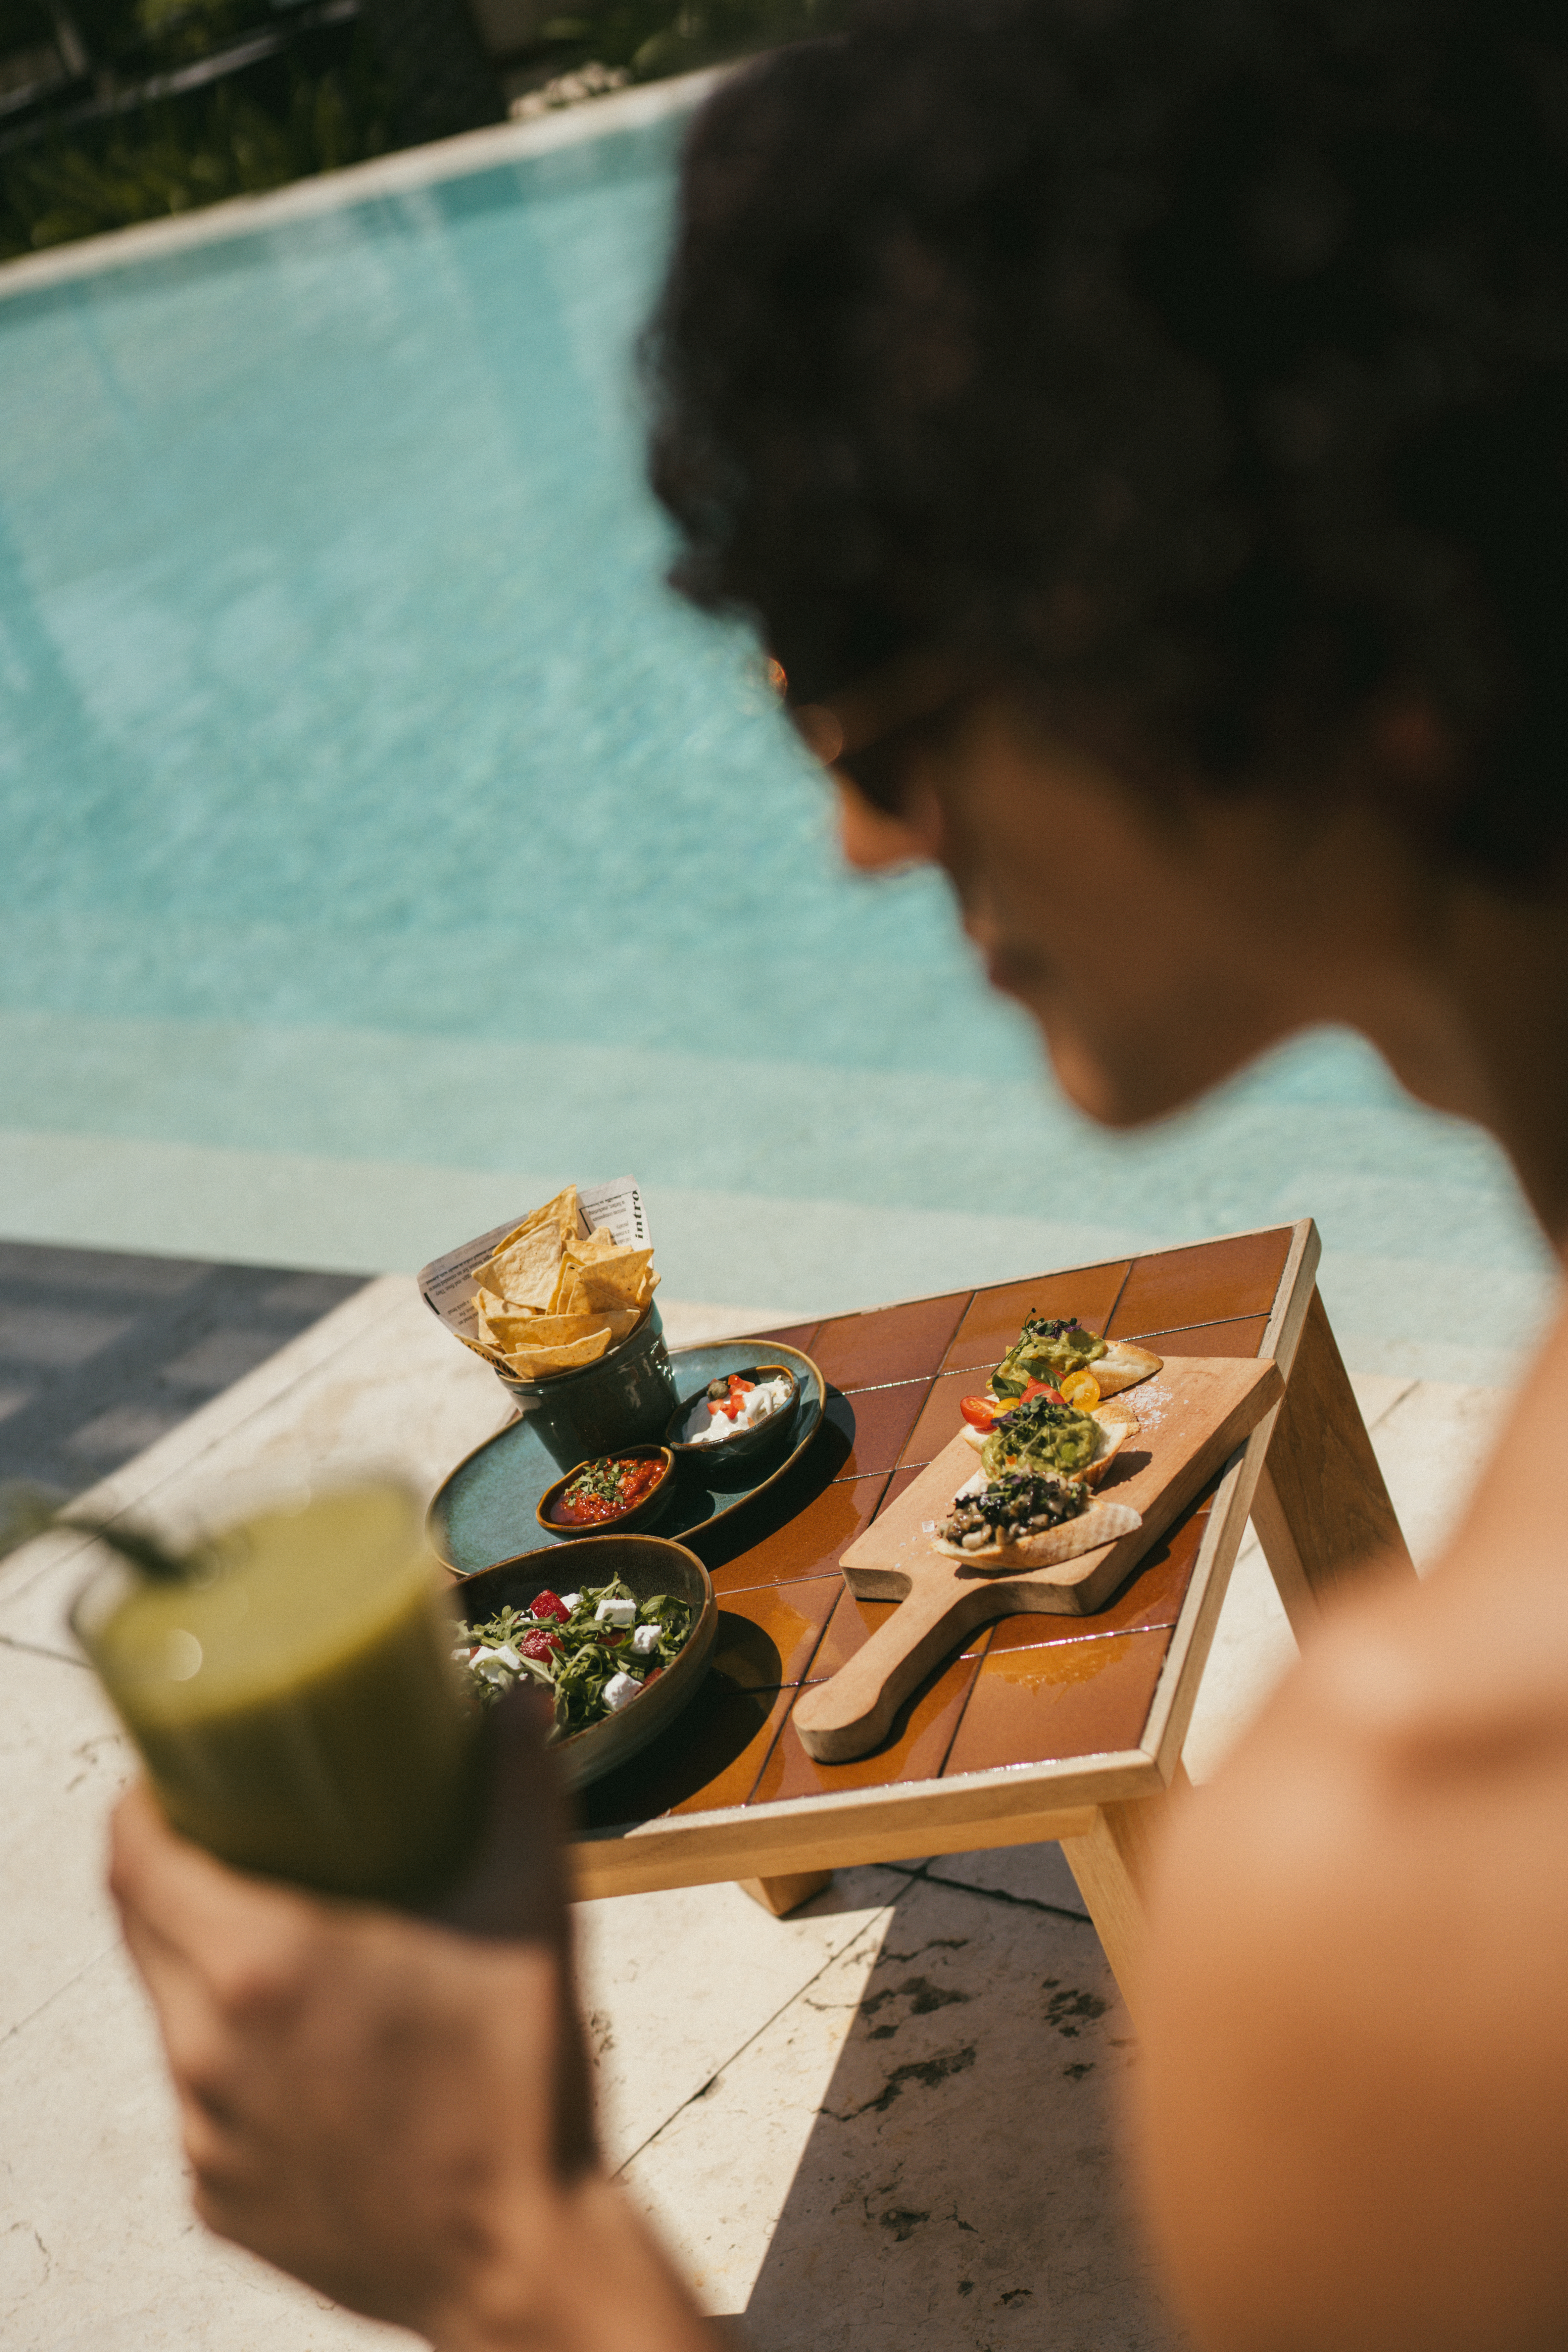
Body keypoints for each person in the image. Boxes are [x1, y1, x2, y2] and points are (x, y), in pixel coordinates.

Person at [111, 2, 1568, 2345]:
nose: (868, 842)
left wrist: (518, 2259)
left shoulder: (1420, 1919)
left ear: (1294, 615)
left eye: (885, 712)